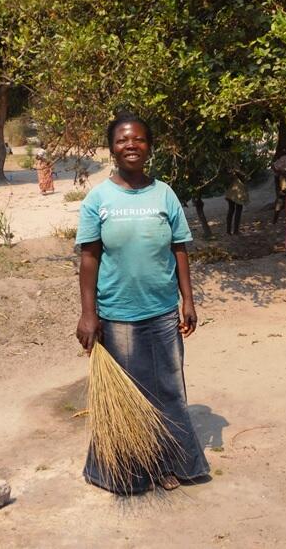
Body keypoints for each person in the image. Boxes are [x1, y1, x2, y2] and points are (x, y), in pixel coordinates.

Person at [75, 112, 210, 494]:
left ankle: (169, 464)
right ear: (112, 148)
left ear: (149, 146)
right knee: (128, 394)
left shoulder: (164, 193)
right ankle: (131, 471)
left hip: (164, 313)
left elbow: (179, 248)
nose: (130, 145)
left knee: (168, 390)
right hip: (117, 316)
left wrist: (188, 299)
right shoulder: (98, 198)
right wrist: (89, 315)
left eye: (137, 139)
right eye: (121, 140)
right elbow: (89, 258)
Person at [225, 171, 249, 235]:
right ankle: (235, 231)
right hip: (238, 192)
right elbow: (244, 177)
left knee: (231, 210)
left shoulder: (231, 172)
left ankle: (229, 231)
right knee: (237, 211)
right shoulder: (236, 171)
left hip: (231, 192)